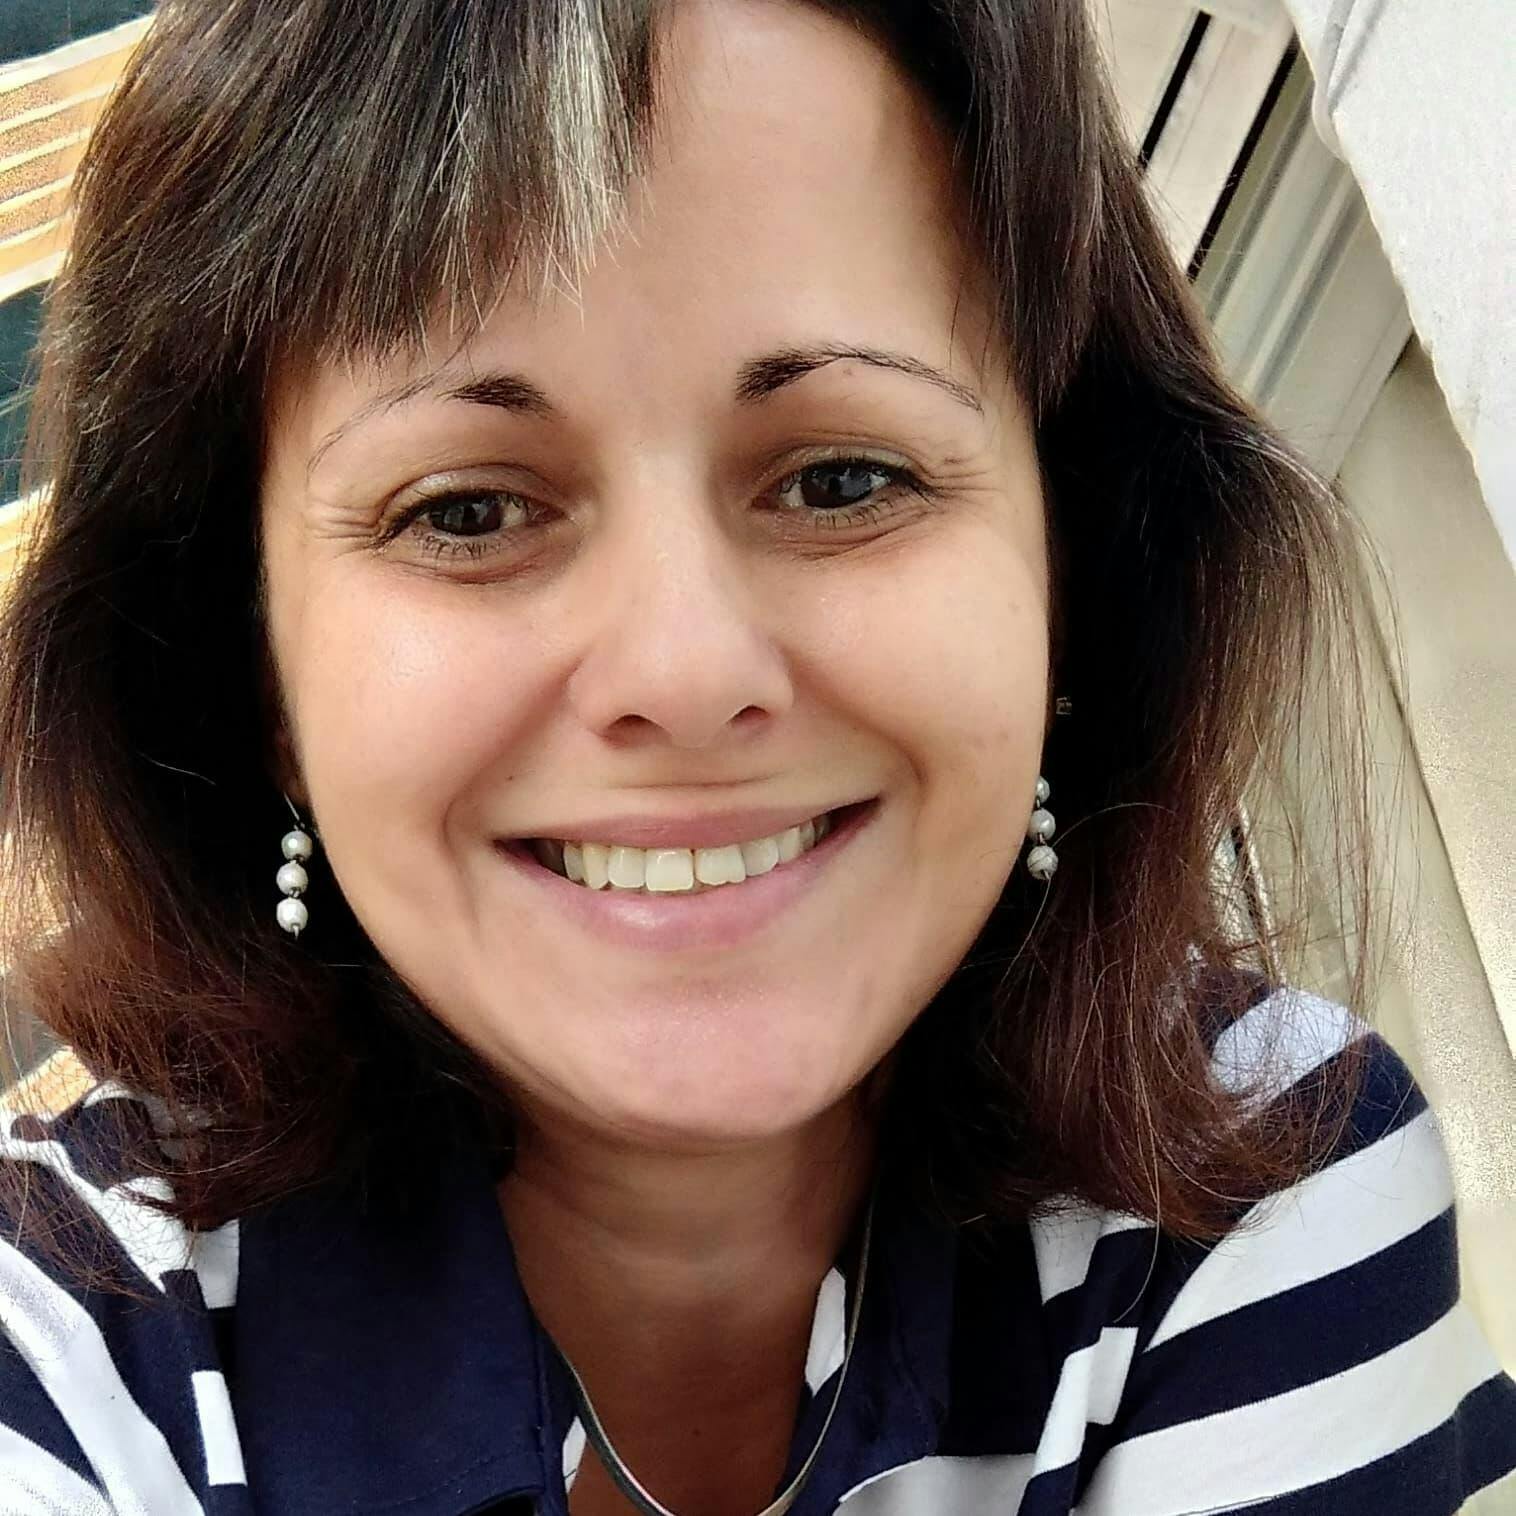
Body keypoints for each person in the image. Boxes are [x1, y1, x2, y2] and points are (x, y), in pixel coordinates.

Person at [0, 1, 1512, 1512]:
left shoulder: (1263, 1173)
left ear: (1074, 577)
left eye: (842, 479)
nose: (686, 671)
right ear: (254, 673)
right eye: (467, 511)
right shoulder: (60, 1337)